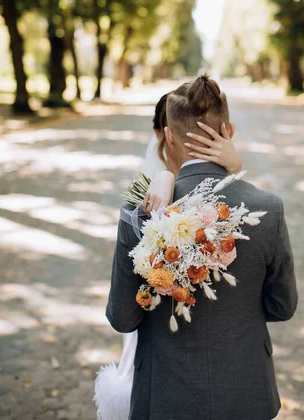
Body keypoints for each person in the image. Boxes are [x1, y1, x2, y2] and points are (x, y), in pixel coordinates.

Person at [106, 74, 298, 420]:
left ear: (168, 135)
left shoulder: (141, 214)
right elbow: (283, 306)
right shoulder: (268, 209)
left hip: (163, 397)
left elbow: (122, 318)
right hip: (247, 394)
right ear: (229, 131)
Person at [95, 88, 243, 420]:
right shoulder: (148, 200)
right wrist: (165, 177)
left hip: (162, 379)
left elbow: (121, 317)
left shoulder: (144, 207)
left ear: (166, 136)